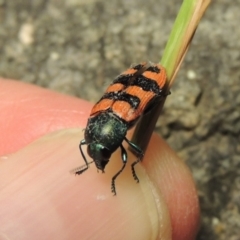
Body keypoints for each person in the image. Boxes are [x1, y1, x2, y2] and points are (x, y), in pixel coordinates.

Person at [0, 79, 200, 240]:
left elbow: (125, 159)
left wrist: (123, 173)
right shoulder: (99, 123)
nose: (99, 161)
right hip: (133, 89)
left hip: (151, 79)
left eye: (101, 156)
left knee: (130, 158)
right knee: (124, 153)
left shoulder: (121, 119)